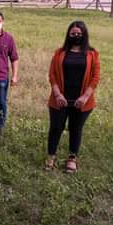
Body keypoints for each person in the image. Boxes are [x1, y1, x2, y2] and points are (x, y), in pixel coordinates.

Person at [45, 20, 100, 173]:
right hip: (60, 100)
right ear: (68, 34)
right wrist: (57, 94)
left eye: (79, 34)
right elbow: (52, 75)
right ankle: (51, 156)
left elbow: (95, 77)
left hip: (81, 101)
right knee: (56, 128)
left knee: (76, 129)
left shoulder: (92, 54)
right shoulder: (59, 53)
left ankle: (72, 158)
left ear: (84, 35)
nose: (76, 36)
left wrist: (85, 97)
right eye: (73, 33)